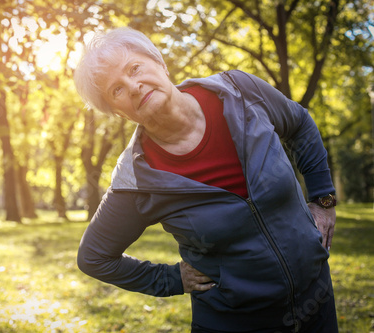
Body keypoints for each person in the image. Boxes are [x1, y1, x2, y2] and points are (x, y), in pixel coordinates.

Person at [73, 27, 338, 333]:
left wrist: (323, 198)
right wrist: (171, 279)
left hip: (317, 301)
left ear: (159, 62)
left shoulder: (239, 91)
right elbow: (94, 257)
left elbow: (300, 124)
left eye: (134, 68)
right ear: (117, 112)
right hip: (234, 323)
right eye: (116, 90)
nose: (133, 86)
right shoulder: (136, 178)